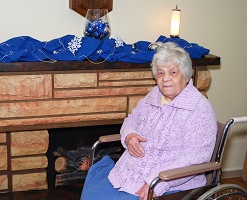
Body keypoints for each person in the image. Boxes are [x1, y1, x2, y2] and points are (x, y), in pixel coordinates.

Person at [80, 42, 217, 200]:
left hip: (170, 181)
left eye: (173, 73)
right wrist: (129, 135)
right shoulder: (155, 95)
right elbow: (131, 119)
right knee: (93, 189)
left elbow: (195, 158)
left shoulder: (199, 109)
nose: (165, 79)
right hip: (132, 169)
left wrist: (157, 183)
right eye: (160, 73)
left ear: (186, 76)